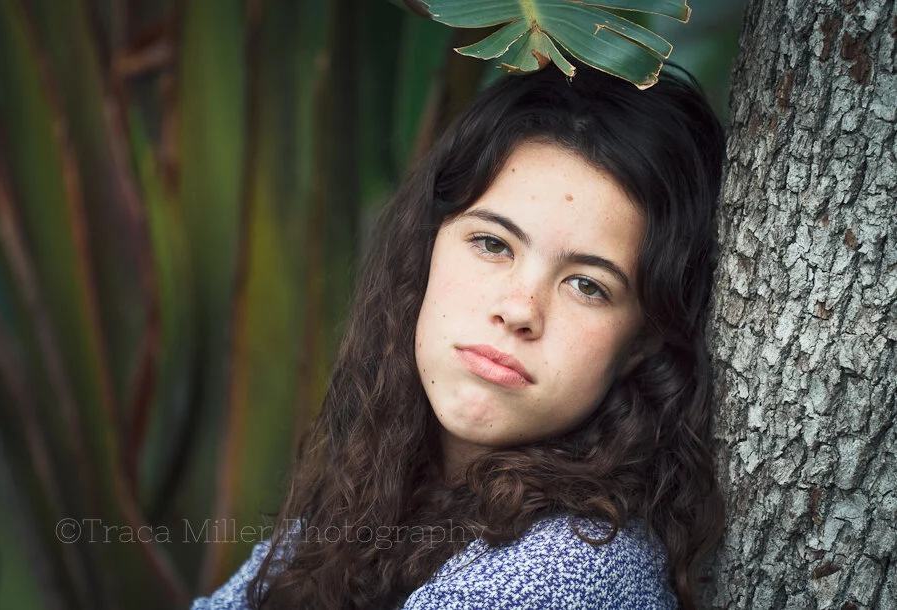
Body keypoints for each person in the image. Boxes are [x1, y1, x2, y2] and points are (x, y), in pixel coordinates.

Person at [191, 63, 725, 610]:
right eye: (493, 245)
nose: (519, 309)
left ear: (643, 341)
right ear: (428, 247)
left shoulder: (568, 569)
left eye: (587, 285)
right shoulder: (384, 489)